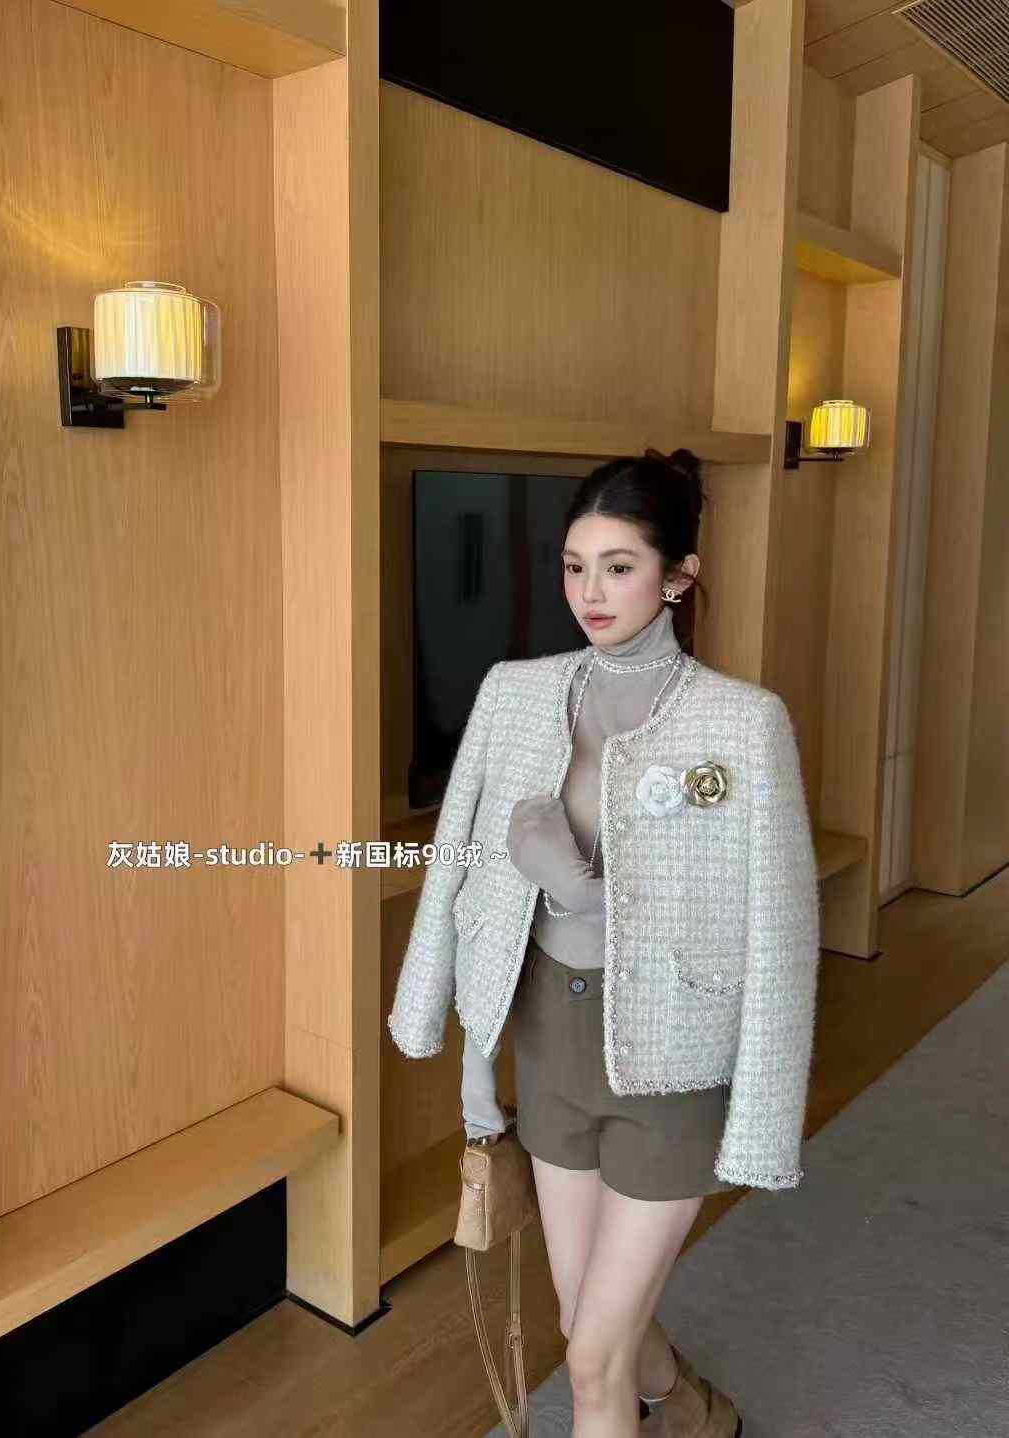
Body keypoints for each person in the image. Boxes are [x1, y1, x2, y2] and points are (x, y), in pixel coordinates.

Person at [388, 447, 820, 1438]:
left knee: (589, 1362)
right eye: (575, 566)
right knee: (585, 1322)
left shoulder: (742, 725)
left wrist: (577, 888)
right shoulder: (515, 692)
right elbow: (456, 860)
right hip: (550, 1044)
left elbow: (780, 936)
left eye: (619, 567)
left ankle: (659, 1401)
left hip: (672, 1065)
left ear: (678, 576)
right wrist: (454, 1038)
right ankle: (694, 1408)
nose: (590, 592)